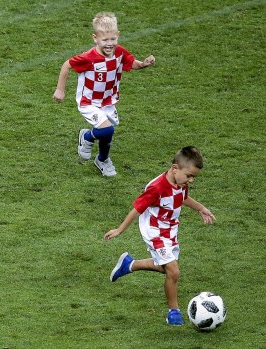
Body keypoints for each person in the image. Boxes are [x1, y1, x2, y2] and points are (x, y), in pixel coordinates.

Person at [103, 146, 216, 325]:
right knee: (174, 270)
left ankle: (130, 265)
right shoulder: (156, 188)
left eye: (193, 177)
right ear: (174, 168)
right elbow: (137, 209)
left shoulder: (181, 183)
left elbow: (183, 198)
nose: (191, 180)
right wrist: (119, 230)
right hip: (154, 232)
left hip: (170, 230)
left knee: (166, 268)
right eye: (189, 176)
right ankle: (174, 312)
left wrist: (201, 208)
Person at [53, 12, 155, 176]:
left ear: (118, 36)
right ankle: (87, 137)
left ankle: (102, 160)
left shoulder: (120, 52)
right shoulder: (89, 58)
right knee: (107, 130)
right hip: (89, 102)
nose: (109, 44)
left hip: (108, 101)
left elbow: (132, 63)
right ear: (95, 38)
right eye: (105, 40)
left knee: (108, 133)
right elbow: (67, 65)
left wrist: (143, 64)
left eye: (113, 39)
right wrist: (60, 89)